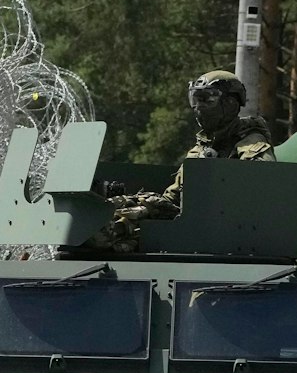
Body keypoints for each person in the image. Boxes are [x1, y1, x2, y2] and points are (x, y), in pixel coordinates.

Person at [94, 70, 274, 249]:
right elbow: (173, 198)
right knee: (110, 220)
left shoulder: (251, 144)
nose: (199, 107)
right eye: (196, 99)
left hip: (225, 233)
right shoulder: (201, 149)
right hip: (189, 226)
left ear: (230, 103)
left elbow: (262, 194)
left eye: (207, 99)